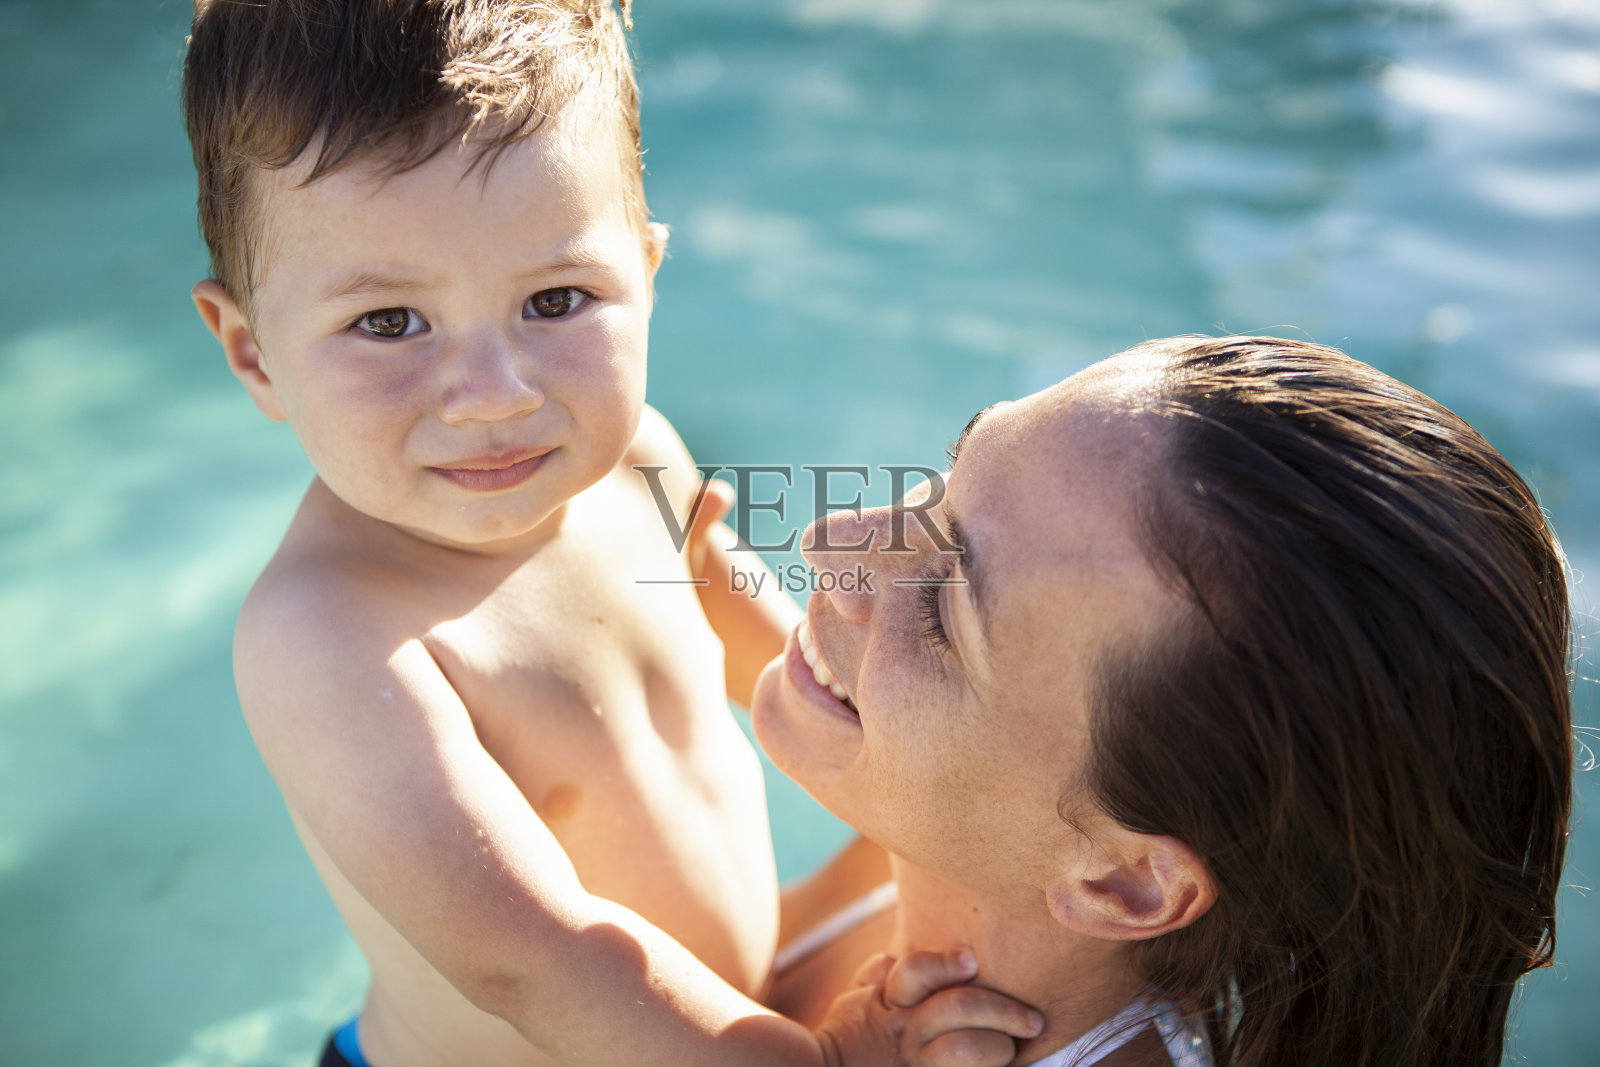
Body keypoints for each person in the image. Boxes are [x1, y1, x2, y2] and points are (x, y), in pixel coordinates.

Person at [182, 2, 1039, 1066]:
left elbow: (758, 642)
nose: (492, 395)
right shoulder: (330, 636)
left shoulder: (639, 455)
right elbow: (534, 957)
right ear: (253, 351)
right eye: (389, 322)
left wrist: (951, 769)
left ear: (644, 273)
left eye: (555, 299)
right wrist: (824, 1061)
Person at [754, 335, 1574, 1067]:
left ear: (1128, 882)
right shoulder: (950, 851)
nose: (833, 541)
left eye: (941, 613)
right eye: (947, 478)